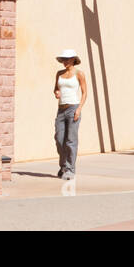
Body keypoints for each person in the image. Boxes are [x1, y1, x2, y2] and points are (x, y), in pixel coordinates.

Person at [53, 49, 87, 180]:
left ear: (73, 59)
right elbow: (56, 88)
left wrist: (79, 109)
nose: (65, 62)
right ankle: (63, 166)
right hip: (61, 109)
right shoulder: (59, 74)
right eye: (63, 59)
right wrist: (56, 92)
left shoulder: (79, 74)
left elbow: (84, 93)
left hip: (73, 108)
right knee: (59, 139)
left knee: (71, 140)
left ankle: (70, 169)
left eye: (67, 59)